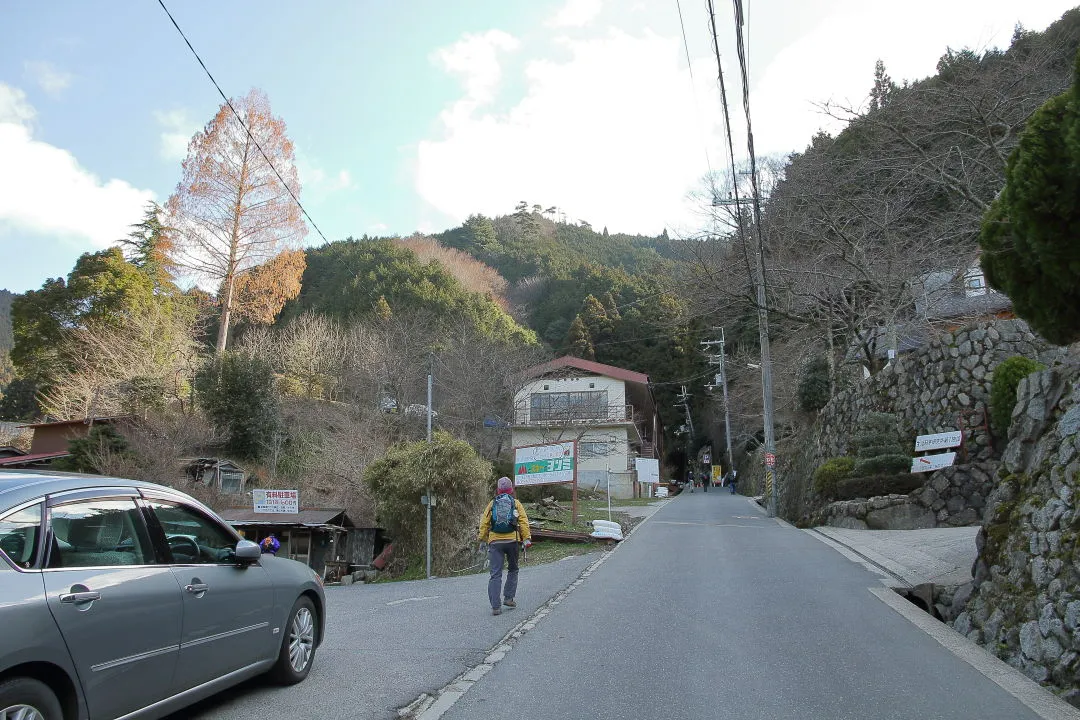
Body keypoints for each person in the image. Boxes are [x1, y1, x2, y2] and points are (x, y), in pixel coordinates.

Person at [478, 476, 532, 615]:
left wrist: (483, 539)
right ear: (511, 490)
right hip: (512, 541)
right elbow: (524, 521)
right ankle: (508, 598)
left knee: (495, 574)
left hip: (495, 542)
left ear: (498, 490)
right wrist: (526, 538)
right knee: (513, 570)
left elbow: (484, 523)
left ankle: (495, 607)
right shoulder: (516, 503)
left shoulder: (492, 504)